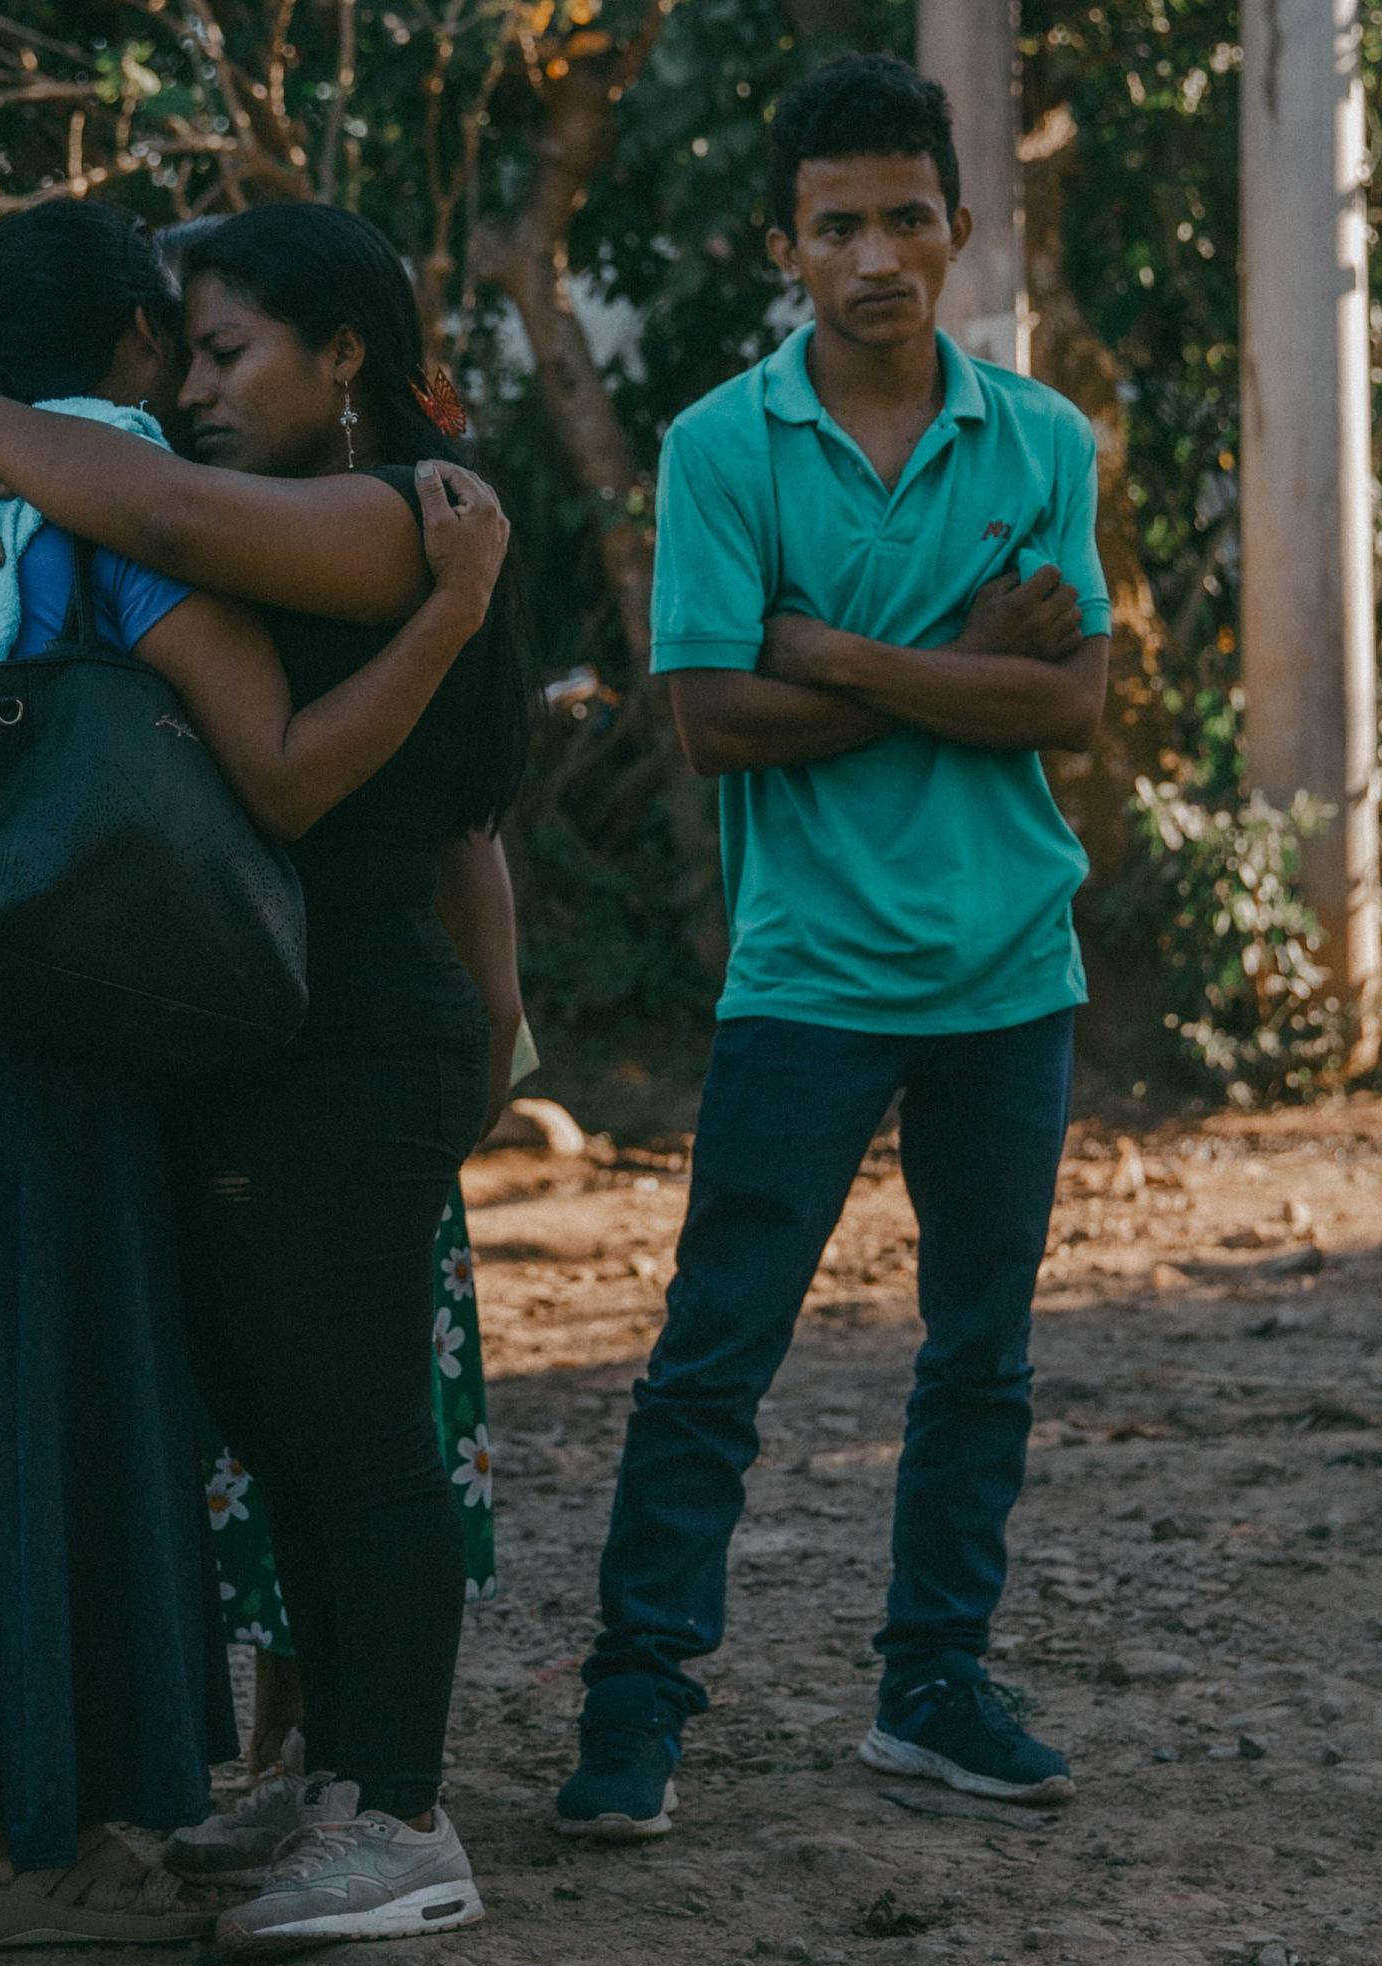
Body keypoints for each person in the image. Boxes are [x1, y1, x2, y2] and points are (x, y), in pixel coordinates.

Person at [0, 197, 508, 1951]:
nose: (189, 383)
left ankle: (384, 1811)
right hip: (186, 1015)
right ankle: (294, 1797)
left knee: (321, 1427)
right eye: (178, 346)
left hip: (313, 1023)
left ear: (345, 358)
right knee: (235, 1415)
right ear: (118, 340)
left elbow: (284, 733)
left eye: (227, 349)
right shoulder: (98, 481)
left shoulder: (402, 509)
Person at [552, 53, 1111, 1841]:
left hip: (1010, 969)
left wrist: (856, 654)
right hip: (804, 975)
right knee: (715, 1354)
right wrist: (966, 666)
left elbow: (1076, 701)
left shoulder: (1040, 441)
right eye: (836, 223)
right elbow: (715, 716)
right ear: (783, 244)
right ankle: (634, 1712)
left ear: (958, 225)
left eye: (905, 217)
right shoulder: (726, 446)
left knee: (981, 1357)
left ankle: (933, 1691)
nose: (875, 253)